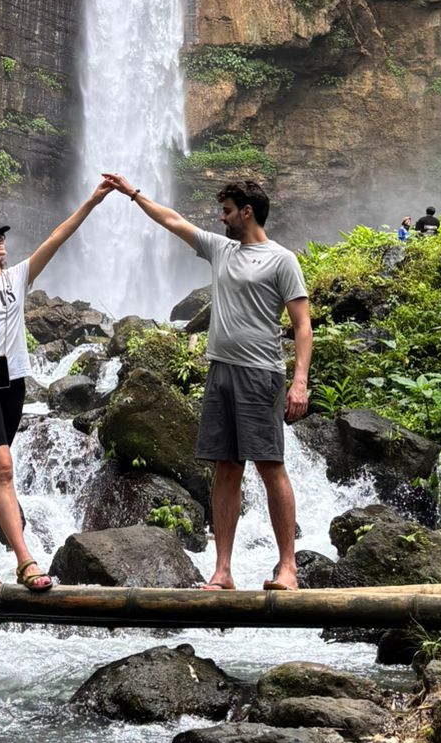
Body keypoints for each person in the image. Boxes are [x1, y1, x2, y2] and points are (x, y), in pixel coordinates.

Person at [102, 172, 312, 591]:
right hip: (220, 372)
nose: (221, 218)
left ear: (247, 212)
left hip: (261, 373)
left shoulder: (281, 260)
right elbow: (173, 221)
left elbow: (302, 326)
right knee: (226, 468)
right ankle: (223, 571)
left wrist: (299, 381)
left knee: (270, 465)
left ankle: (288, 568)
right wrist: (133, 194)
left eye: (227, 211)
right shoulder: (221, 249)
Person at [0, 183, 112, 591]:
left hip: (13, 385)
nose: (1, 239)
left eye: (0, 235)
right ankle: (25, 561)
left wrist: (92, 201)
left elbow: (57, 237)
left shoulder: (18, 277)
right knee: (4, 469)